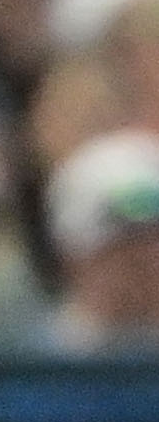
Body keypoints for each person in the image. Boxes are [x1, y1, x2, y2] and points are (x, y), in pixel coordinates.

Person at [46, 128, 159, 349]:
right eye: (127, 244)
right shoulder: (29, 369)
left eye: (154, 237)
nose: (149, 258)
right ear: (73, 258)